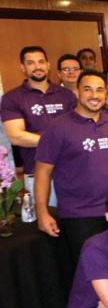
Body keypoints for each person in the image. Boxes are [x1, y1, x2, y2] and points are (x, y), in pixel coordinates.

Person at [34, 70, 108, 266]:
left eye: (100, 90)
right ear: (77, 92)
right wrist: (42, 213)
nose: (94, 95)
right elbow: (43, 173)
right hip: (80, 216)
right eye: (88, 89)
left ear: (106, 93)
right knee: (91, 271)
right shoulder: (57, 127)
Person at [2, 46, 76, 201]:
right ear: (23, 67)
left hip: (73, 170)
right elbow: (16, 136)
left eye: (41, 62)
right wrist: (58, 142)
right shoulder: (12, 98)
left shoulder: (66, 95)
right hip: (37, 173)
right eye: (31, 63)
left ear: (48, 65)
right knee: (46, 215)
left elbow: (79, 129)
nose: (37, 67)